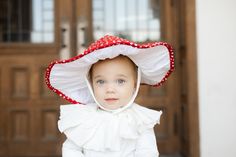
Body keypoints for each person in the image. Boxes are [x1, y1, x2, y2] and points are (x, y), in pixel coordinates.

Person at [45, 35, 174, 157]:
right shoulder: (84, 118)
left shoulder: (139, 121)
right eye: (101, 82)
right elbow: (71, 149)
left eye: (120, 81)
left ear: (135, 84)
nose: (110, 89)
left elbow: (147, 153)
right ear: (90, 84)